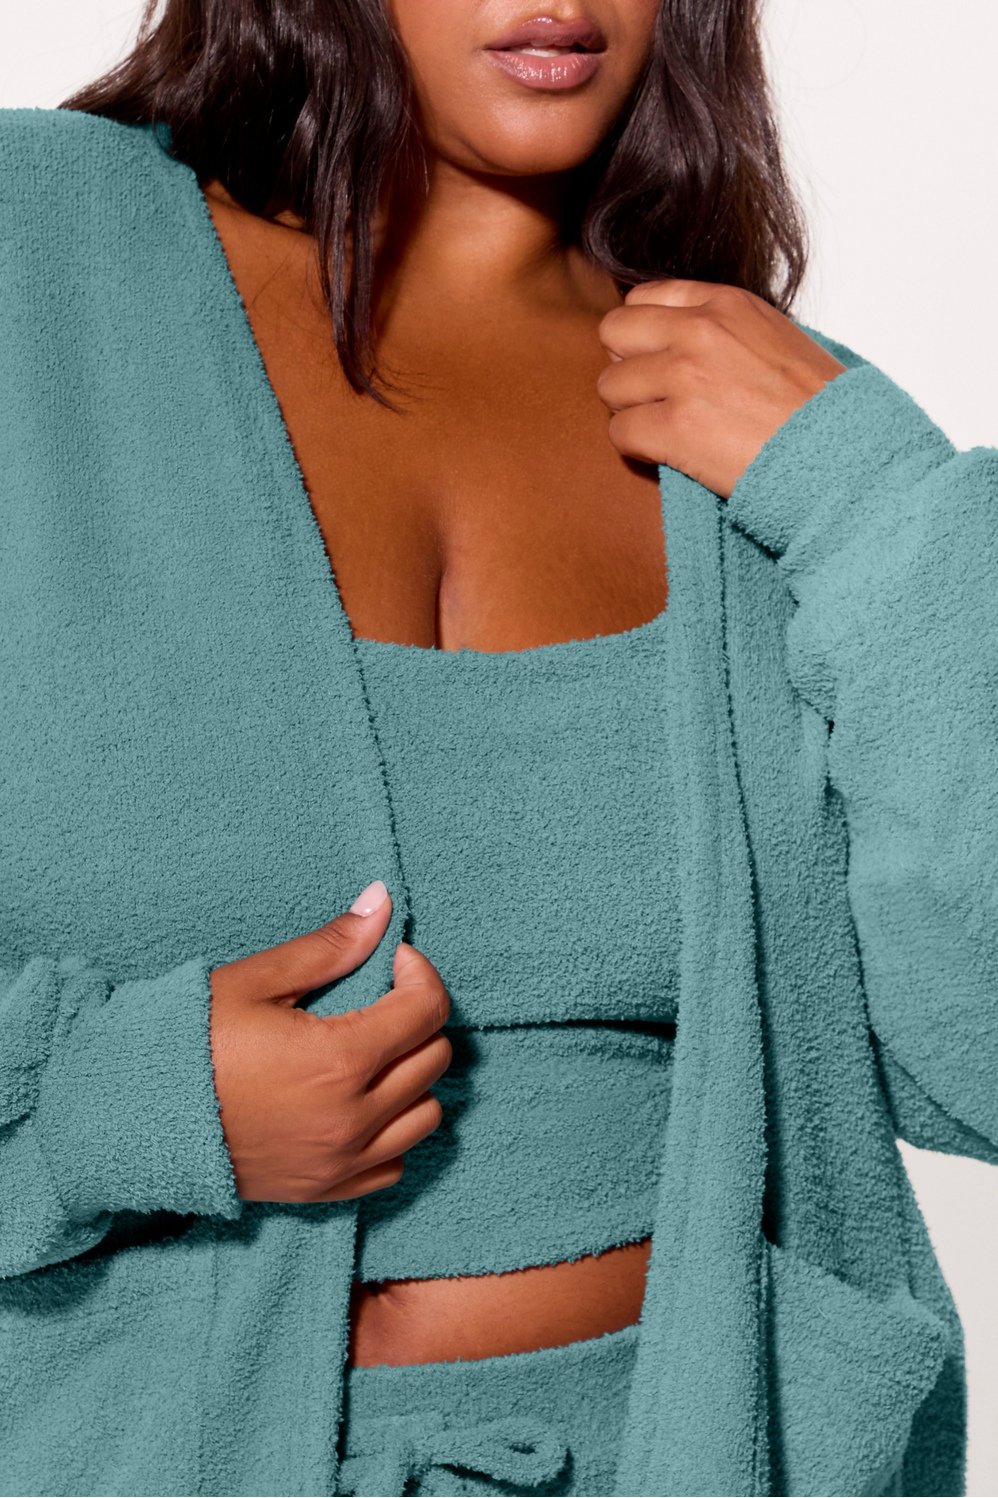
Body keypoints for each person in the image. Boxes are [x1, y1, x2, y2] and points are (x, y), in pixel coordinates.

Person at [0, 1, 995, 1495]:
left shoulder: (770, 422)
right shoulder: (39, 259)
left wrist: (876, 502)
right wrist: (113, 1108)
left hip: (691, 1449)